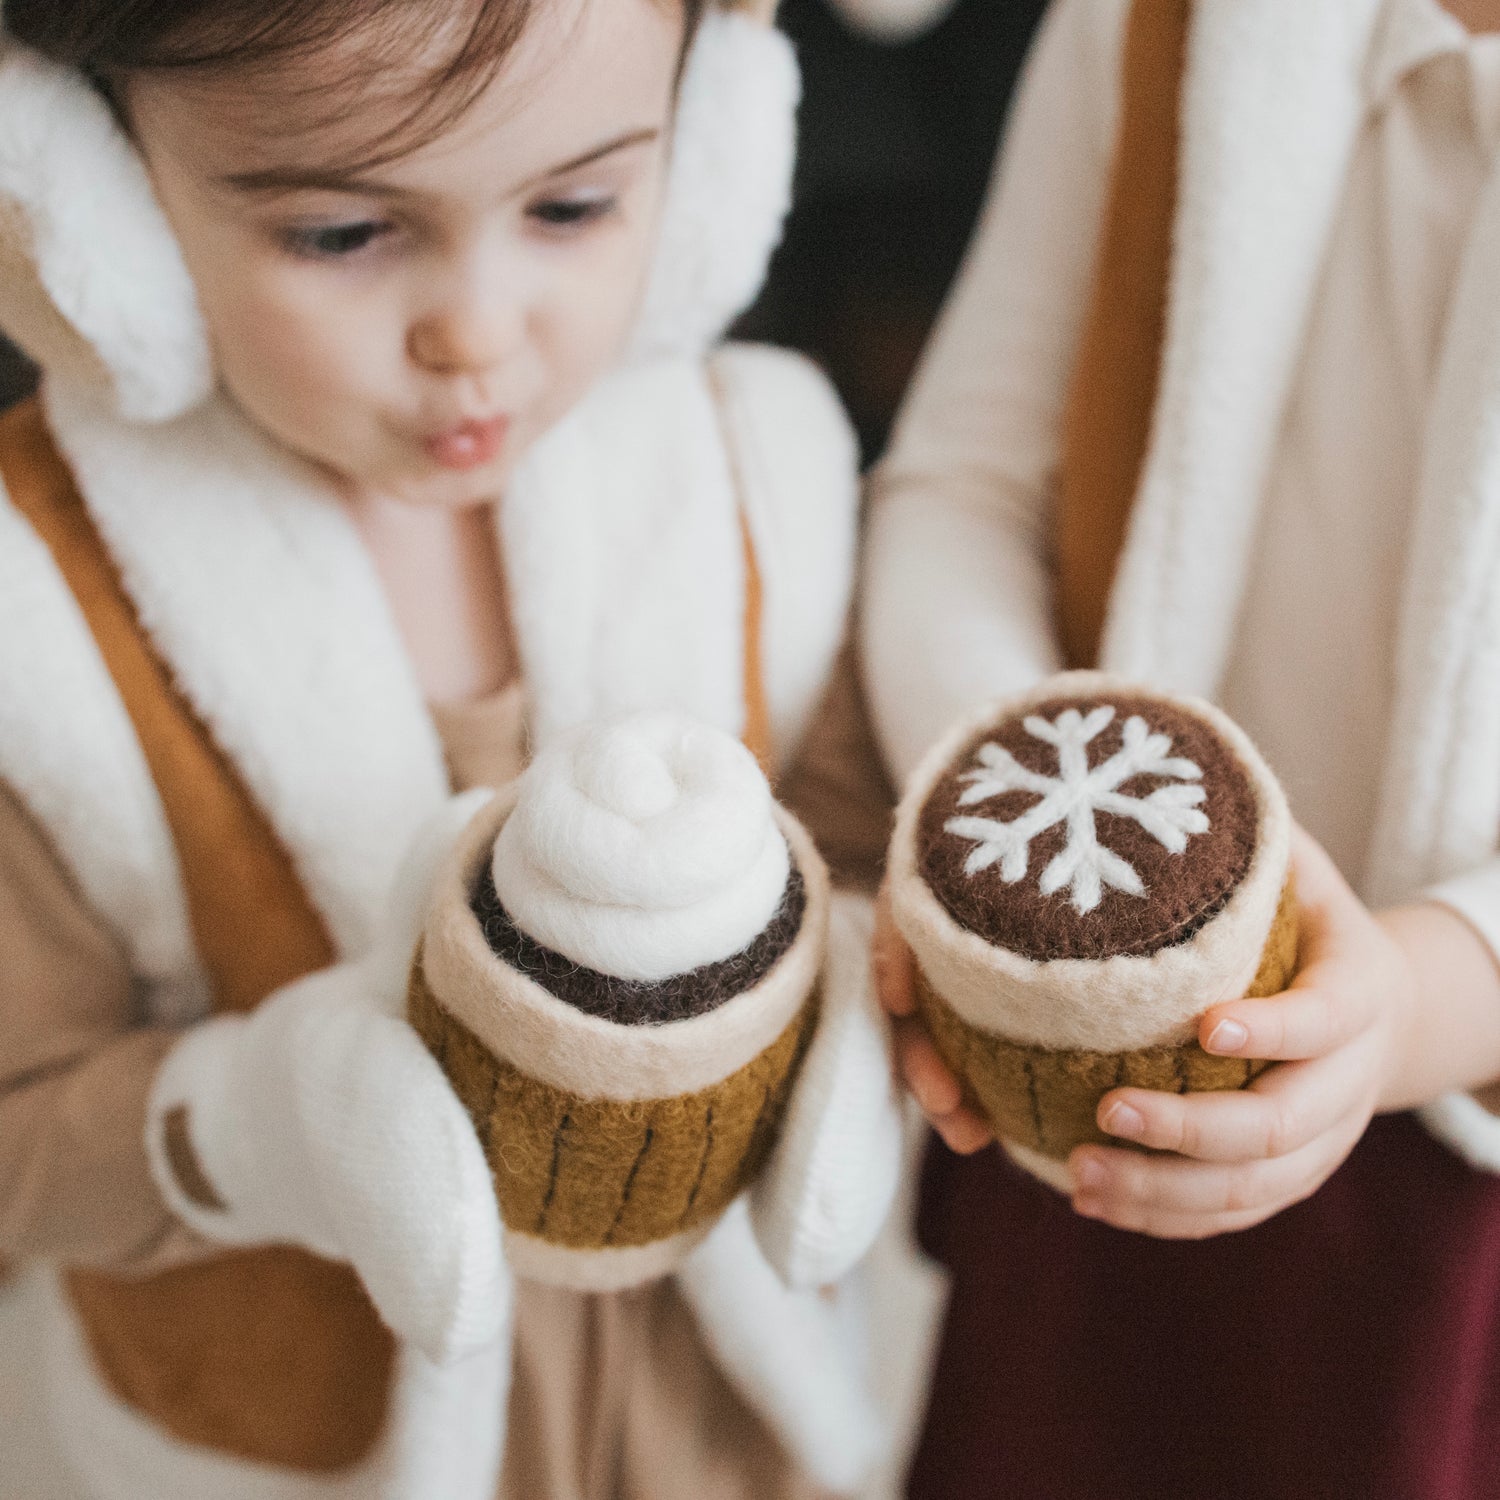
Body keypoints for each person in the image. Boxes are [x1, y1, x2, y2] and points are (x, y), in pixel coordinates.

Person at [0, 1, 905, 1496]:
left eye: (573, 206)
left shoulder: (756, 483)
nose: (476, 332)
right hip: (289, 1441)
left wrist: (851, 1023)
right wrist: (268, 1122)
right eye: (344, 235)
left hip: (719, 1421)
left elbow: (855, 866)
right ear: (90, 201)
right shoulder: (39, 613)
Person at [861, 0, 1500, 1494]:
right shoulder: (1157, 24)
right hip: (1090, 1092)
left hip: (1458, 1190)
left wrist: (1425, 992)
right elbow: (963, 484)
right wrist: (991, 820)